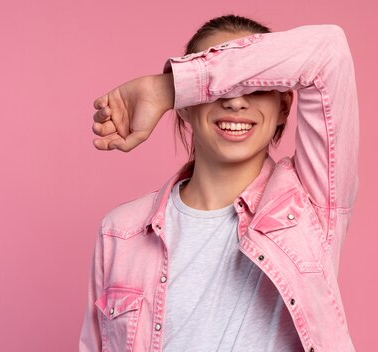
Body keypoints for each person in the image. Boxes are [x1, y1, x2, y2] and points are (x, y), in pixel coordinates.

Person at [79, 15, 359, 352]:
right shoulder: (121, 232)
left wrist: (171, 86)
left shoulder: (309, 206)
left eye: (254, 86)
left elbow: (328, 50)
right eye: (219, 88)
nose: (236, 101)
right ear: (185, 108)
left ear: (284, 107)